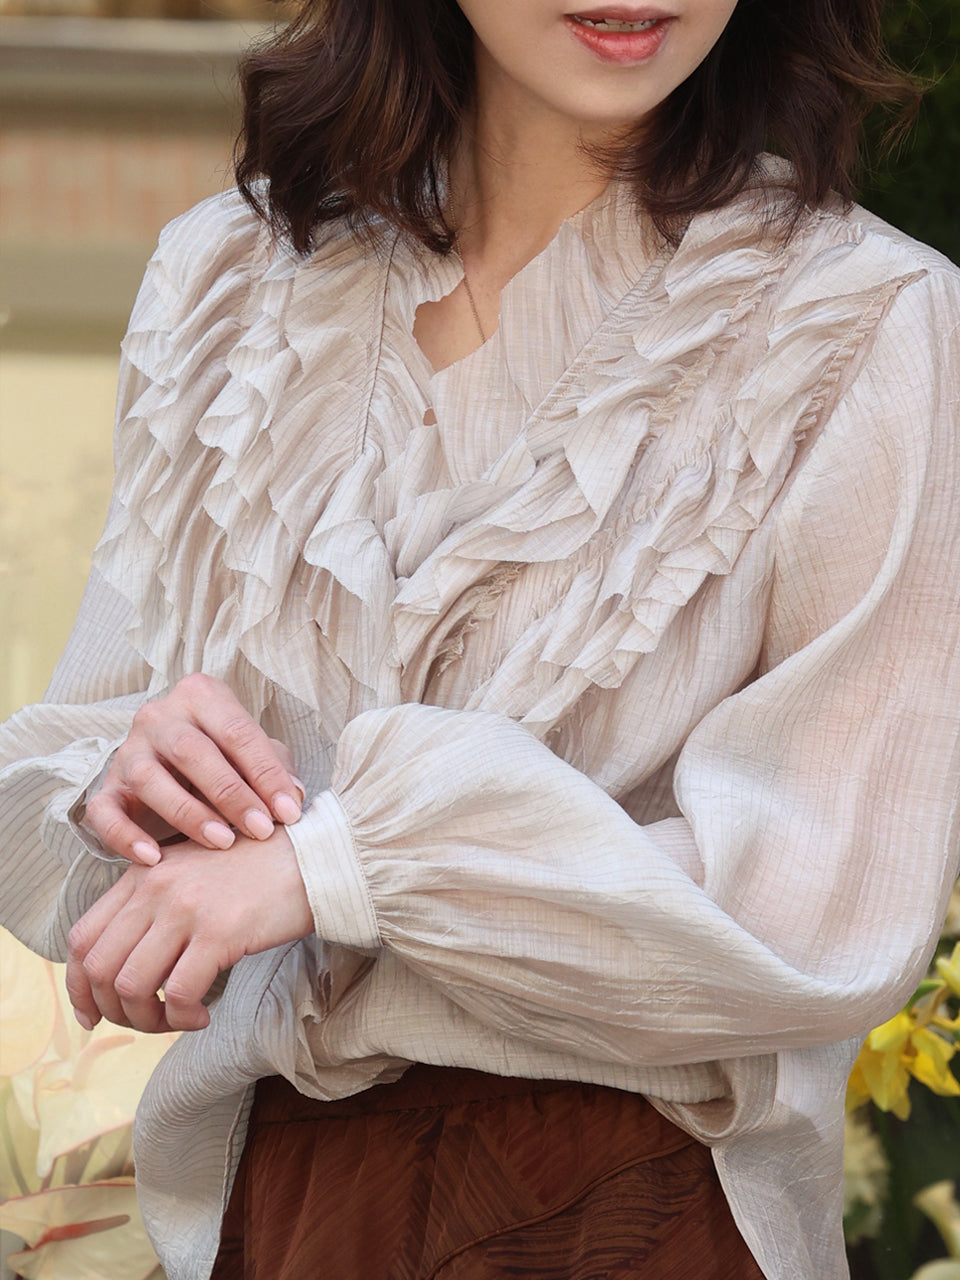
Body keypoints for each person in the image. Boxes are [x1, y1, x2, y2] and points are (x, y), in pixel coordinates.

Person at [1, 0, 959, 1277]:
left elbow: (821, 906)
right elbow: (63, 756)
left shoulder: (868, 319)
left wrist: (345, 863)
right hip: (272, 1197)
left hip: (622, 1200)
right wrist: (132, 793)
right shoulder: (225, 278)